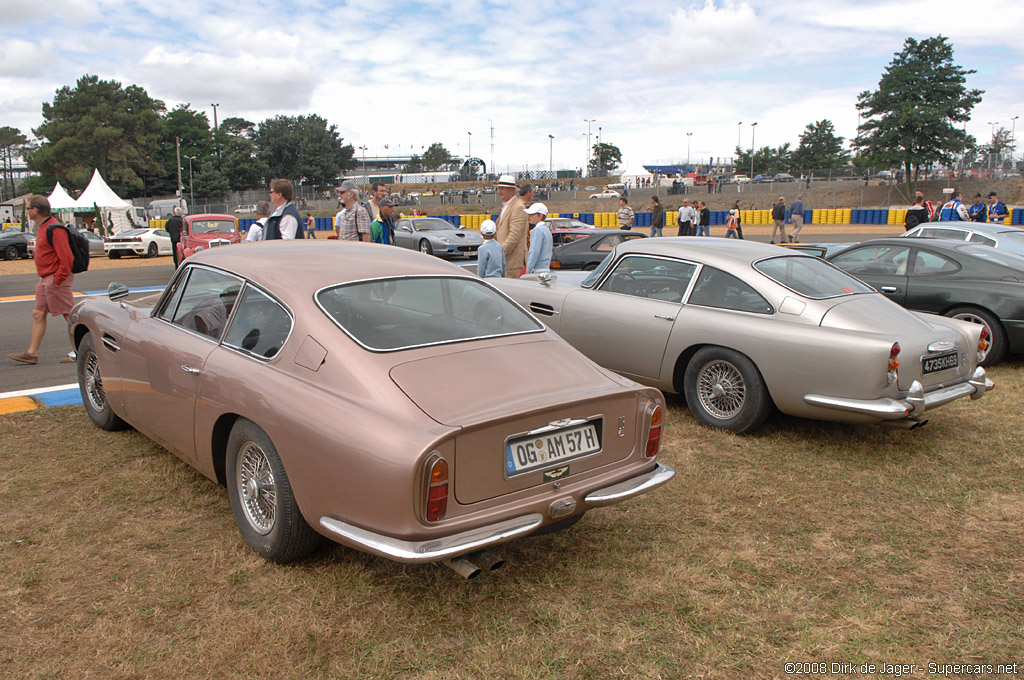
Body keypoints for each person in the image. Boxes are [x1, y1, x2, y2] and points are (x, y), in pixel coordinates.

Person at [8, 196, 77, 365]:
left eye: (28, 208)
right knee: (38, 314)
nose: (27, 211)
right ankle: (32, 353)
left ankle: (80, 350)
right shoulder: (43, 227)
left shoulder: (54, 229)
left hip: (55, 278)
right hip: (46, 278)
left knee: (70, 315)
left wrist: (57, 280)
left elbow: (67, 258)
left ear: (36, 210)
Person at [494, 175, 528, 277]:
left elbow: (514, 236)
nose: (499, 191)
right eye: (499, 188)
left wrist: (499, 255)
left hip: (513, 263)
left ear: (511, 190)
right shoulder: (507, 206)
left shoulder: (518, 207)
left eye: (502, 189)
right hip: (506, 261)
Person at [524, 202, 552, 274]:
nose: (529, 216)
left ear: (540, 216)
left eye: (532, 214)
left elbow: (534, 252)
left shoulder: (537, 230)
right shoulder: (546, 230)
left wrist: (528, 270)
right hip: (545, 268)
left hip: (537, 269)